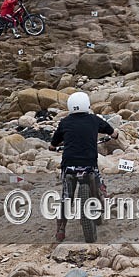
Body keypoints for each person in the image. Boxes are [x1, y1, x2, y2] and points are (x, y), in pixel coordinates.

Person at [48, 91, 119, 242]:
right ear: (87, 105)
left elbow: (53, 143)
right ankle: (103, 194)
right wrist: (115, 135)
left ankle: (61, 229)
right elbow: (112, 132)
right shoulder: (94, 120)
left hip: (69, 165)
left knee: (66, 196)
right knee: (97, 175)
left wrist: (54, 147)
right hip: (88, 164)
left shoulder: (64, 122)